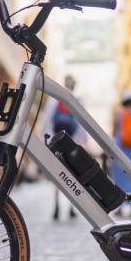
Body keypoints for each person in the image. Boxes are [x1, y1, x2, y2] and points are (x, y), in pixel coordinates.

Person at [45, 75, 85, 220]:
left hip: (57, 141)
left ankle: (56, 206)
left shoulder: (54, 99)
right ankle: (71, 208)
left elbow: (47, 120)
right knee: (72, 175)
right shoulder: (77, 100)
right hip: (71, 142)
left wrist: (50, 140)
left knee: (57, 175)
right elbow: (81, 126)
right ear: (74, 85)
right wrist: (77, 143)